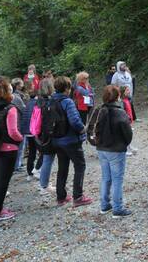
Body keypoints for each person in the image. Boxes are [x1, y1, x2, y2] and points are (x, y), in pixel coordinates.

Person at [0, 78, 24, 222]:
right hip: (9, 147)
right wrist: (21, 138)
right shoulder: (10, 108)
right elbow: (13, 131)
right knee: (3, 179)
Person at [51, 76, 92, 207]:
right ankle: (78, 196)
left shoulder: (50, 101)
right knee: (80, 166)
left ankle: (61, 197)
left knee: (62, 168)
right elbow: (74, 120)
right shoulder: (67, 102)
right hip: (70, 139)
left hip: (57, 139)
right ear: (67, 88)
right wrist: (82, 129)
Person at [93, 85, 134, 218]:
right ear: (117, 96)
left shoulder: (99, 111)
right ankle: (117, 208)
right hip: (116, 149)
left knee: (106, 177)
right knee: (117, 179)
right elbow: (128, 134)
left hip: (102, 148)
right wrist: (124, 144)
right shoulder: (120, 113)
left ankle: (105, 205)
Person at [36, 78, 57, 195]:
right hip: (49, 134)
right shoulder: (50, 101)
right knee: (48, 159)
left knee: (46, 158)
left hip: (40, 134)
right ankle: (44, 186)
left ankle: (44, 184)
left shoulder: (38, 101)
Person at [20, 89, 43, 181]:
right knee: (43, 152)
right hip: (35, 131)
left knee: (32, 153)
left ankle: (29, 173)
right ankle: (36, 169)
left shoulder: (28, 103)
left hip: (27, 131)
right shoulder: (38, 103)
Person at [11, 78, 27, 171]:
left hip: (17, 122)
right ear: (17, 85)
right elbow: (23, 109)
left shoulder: (16, 95)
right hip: (19, 123)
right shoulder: (17, 97)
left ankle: (18, 163)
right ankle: (16, 165)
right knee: (20, 145)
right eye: (21, 84)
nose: (23, 85)